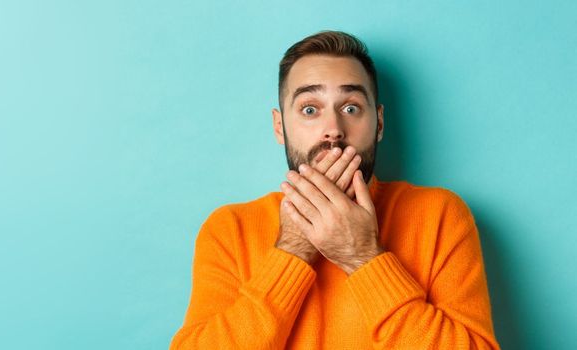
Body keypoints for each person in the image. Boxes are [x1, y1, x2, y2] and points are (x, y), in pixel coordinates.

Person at [170, 31, 500, 349]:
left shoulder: (440, 215)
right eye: (310, 109)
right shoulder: (230, 229)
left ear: (379, 123)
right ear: (279, 126)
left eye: (351, 108)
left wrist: (364, 258)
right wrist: (293, 248)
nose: (333, 131)